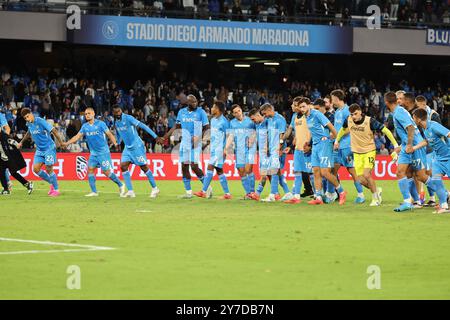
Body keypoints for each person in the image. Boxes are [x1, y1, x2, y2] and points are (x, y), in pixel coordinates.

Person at [334, 103, 399, 206]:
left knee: (367, 174)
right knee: (360, 180)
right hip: (357, 152)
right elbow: (342, 130)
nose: (353, 117)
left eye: (355, 114)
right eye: (351, 114)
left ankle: (375, 199)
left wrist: (395, 144)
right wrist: (337, 141)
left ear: (360, 111)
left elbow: (385, 130)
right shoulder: (348, 120)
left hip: (369, 151)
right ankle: (377, 190)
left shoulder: (370, 121)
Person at [384, 91, 437, 212]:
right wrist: (402, 146)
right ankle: (411, 201)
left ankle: (445, 193)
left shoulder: (398, 112)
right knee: (404, 173)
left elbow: (411, 128)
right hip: (408, 146)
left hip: (414, 146)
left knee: (421, 176)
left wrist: (408, 144)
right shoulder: (398, 112)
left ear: (386, 102)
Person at [62, 107, 125, 197]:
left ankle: (121, 185)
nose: (87, 115)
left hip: (103, 152)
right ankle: (94, 192)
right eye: (86, 114)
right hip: (93, 153)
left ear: (93, 114)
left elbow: (109, 134)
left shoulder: (101, 124)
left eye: (89, 113)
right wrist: (67, 143)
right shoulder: (85, 126)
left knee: (106, 172)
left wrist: (115, 143)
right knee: (90, 169)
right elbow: (77, 137)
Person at [298, 97, 347, 205]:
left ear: (308, 105)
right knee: (316, 172)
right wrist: (309, 143)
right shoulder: (306, 117)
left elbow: (330, 126)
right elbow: (314, 131)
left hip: (324, 144)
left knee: (325, 172)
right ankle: (319, 197)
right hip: (315, 146)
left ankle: (341, 192)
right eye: (300, 107)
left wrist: (336, 141)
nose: (302, 109)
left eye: (303, 106)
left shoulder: (316, 114)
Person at [162, 94, 209, 199]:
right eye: (192, 102)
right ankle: (188, 192)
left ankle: (207, 188)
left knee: (194, 166)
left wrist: (199, 136)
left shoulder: (201, 112)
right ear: (187, 103)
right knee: (184, 166)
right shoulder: (181, 112)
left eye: (196, 101)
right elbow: (176, 126)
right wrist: (165, 137)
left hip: (196, 143)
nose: (195, 103)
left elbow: (206, 127)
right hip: (184, 143)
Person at [112, 105, 163, 198]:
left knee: (144, 167)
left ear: (121, 110)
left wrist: (156, 136)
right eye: (116, 112)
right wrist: (118, 143)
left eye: (119, 111)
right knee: (123, 166)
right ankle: (131, 191)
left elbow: (143, 126)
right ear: (114, 113)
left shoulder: (128, 118)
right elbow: (119, 133)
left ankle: (155, 188)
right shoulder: (116, 122)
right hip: (127, 148)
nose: (118, 113)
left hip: (137, 146)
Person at [18, 108, 65, 197]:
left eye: (28, 116)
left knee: (48, 168)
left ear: (31, 113)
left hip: (49, 148)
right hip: (39, 150)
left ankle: (56, 190)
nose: (27, 119)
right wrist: (21, 142)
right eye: (25, 118)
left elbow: (54, 130)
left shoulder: (40, 121)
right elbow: (29, 132)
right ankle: (52, 182)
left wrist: (61, 142)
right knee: (35, 169)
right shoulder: (29, 123)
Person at [331, 90, 365, 204]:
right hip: (337, 145)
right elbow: (337, 128)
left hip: (346, 145)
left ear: (336, 98)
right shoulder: (337, 112)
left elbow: (349, 128)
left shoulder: (348, 111)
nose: (331, 101)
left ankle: (361, 194)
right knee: (332, 171)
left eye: (332, 98)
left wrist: (337, 138)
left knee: (351, 171)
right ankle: (335, 193)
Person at [412, 108, 449, 214]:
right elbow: (427, 141)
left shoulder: (434, 126)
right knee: (437, 181)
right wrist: (414, 148)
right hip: (438, 159)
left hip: (448, 157)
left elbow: (448, 134)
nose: (412, 119)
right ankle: (444, 206)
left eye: (413, 117)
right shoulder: (425, 128)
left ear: (418, 119)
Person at [194, 101, 231, 199]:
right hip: (213, 149)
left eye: (213, 107)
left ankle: (203, 191)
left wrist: (226, 149)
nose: (211, 109)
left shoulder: (224, 122)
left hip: (220, 150)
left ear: (218, 109)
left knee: (210, 166)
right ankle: (227, 194)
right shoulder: (213, 120)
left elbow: (229, 136)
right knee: (219, 171)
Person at [283, 96, 311, 204]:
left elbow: (312, 131)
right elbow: (292, 131)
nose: (292, 106)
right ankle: (296, 196)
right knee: (297, 171)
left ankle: (319, 195)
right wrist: (283, 141)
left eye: (294, 105)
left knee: (312, 173)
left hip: (307, 148)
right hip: (298, 148)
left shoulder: (308, 116)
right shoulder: (294, 116)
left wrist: (310, 144)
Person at [415, 95, 441, 206]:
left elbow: (440, 132)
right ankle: (432, 199)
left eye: (418, 105)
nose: (416, 107)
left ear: (423, 104)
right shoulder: (418, 116)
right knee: (425, 173)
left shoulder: (433, 115)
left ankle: (443, 196)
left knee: (429, 173)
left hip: (433, 149)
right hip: (423, 147)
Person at [226, 104, 256, 199]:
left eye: (239, 111)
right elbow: (231, 136)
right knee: (241, 172)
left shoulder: (250, 121)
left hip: (249, 149)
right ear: (233, 114)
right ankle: (248, 194)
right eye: (235, 112)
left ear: (241, 110)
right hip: (238, 150)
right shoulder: (232, 123)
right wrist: (226, 148)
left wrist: (252, 138)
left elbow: (256, 131)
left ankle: (252, 192)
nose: (238, 113)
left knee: (248, 170)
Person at [259, 103, 288, 202]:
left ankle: (272, 195)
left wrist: (279, 149)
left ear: (269, 109)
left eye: (265, 113)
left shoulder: (280, 119)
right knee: (277, 172)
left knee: (273, 170)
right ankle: (288, 193)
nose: (264, 115)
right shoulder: (269, 120)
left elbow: (282, 135)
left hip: (277, 149)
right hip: (272, 149)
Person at [0, 112, 33, 195]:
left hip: (8, 158)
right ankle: (6, 189)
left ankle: (28, 184)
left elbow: (10, 140)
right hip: (2, 158)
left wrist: (17, 144)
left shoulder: (3, 135)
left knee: (13, 173)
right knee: (1, 173)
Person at [248, 108, 269, 201]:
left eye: (253, 119)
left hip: (268, 152)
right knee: (268, 174)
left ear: (258, 115)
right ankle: (276, 193)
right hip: (262, 153)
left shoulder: (267, 122)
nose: (253, 121)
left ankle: (257, 193)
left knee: (265, 174)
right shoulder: (258, 125)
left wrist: (268, 147)